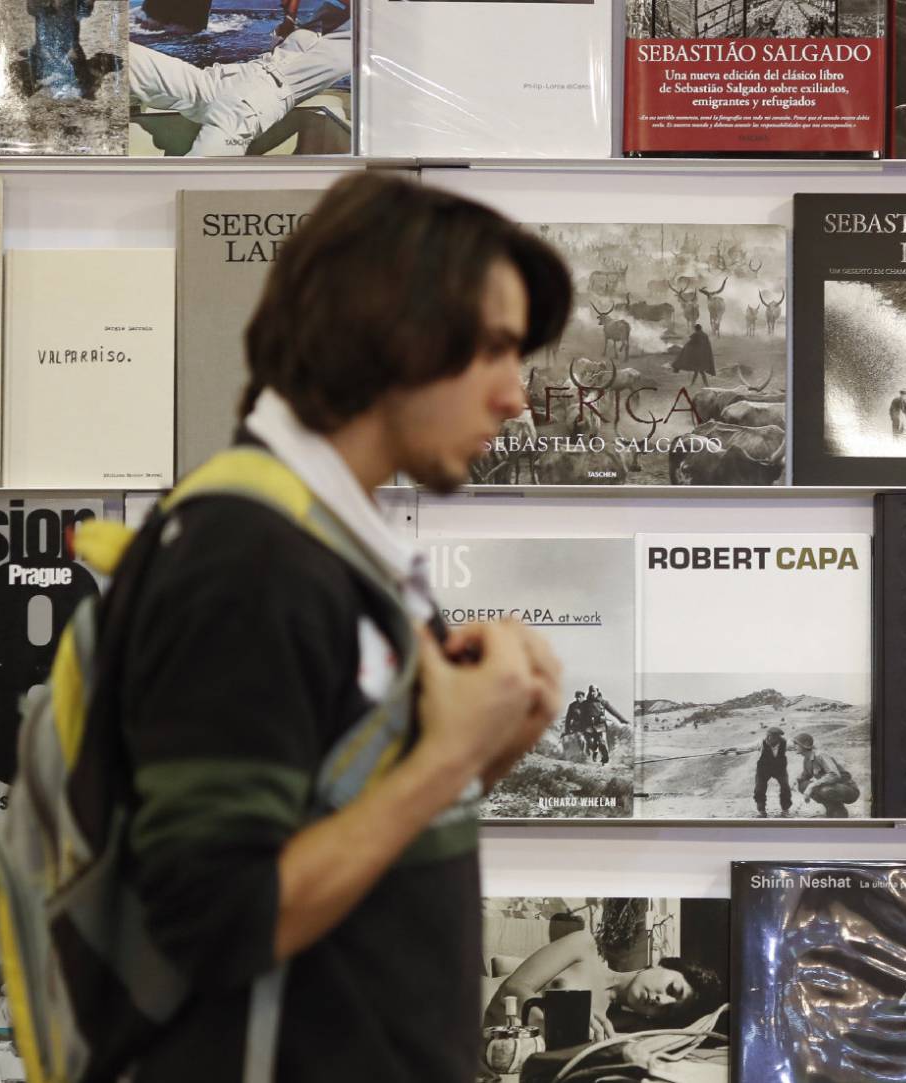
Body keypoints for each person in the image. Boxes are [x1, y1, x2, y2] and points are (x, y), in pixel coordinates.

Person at [109, 173, 570, 1081]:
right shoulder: (245, 558)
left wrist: (487, 744)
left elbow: (351, 836)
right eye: (497, 351)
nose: (517, 396)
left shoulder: (330, 544)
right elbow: (216, 920)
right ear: (396, 331)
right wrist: (448, 756)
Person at [126, 0, 352, 156]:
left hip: (250, 106)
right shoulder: (327, 18)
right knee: (112, 54)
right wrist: (289, 18)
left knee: (189, 189)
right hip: (219, 81)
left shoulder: (366, 29)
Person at [485, 927, 725, 1038]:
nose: (661, 1000)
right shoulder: (583, 947)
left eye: (669, 1009)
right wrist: (567, 1018)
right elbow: (511, 992)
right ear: (662, 965)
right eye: (672, 988)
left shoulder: (606, 1026)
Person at [793, 733, 859, 818]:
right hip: (832, 787)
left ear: (805, 745)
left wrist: (812, 786)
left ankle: (839, 810)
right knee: (803, 785)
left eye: (796, 744)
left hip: (848, 788)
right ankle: (830, 807)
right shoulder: (807, 759)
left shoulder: (820, 755)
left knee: (825, 790)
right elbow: (805, 775)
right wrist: (797, 780)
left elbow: (834, 775)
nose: (794, 746)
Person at [755, 727, 792, 818]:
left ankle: (785, 810)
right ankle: (761, 811)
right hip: (763, 769)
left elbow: (799, 745)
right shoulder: (760, 743)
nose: (775, 739)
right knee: (759, 789)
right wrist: (729, 750)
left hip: (779, 769)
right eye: (773, 736)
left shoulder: (785, 743)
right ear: (768, 736)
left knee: (785, 787)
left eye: (777, 737)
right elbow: (745, 748)